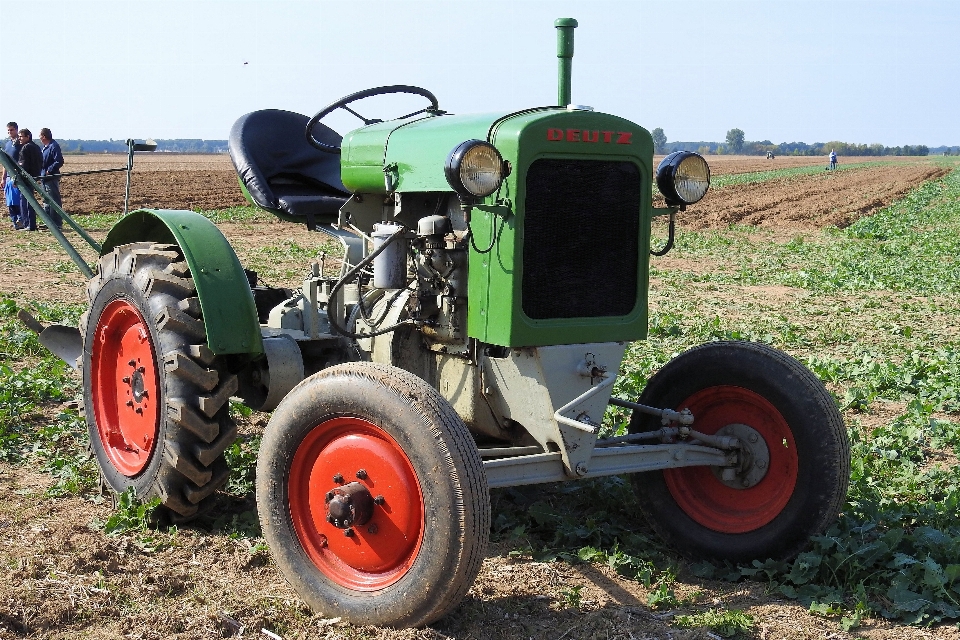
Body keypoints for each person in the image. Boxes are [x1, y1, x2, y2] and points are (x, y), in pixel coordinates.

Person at [16, 128, 42, 231]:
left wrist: (17, 178)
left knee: (26, 201)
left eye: (21, 136)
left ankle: (29, 224)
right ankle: (31, 224)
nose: (19, 139)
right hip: (35, 176)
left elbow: (23, 166)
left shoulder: (25, 148)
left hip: (26, 179)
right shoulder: (36, 147)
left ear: (28, 137)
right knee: (30, 201)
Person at [38, 128, 64, 229]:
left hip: (51, 177)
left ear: (44, 136)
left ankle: (57, 223)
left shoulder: (54, 146)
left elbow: (59, 161)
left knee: (54, 200)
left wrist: (49, 170)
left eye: (40, 135)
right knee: (46, 200)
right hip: (44, 177)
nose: (39, 138)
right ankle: (48, 222)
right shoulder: (45, 147)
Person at [2, 121, 22, 229]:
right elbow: (5, 162)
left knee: (17, 200)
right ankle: (15, 221)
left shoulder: (20, 144)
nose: (10, 132)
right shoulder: (8, 144)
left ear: (16, 130)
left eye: (12, 130)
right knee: (9, 201)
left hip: (17, 176)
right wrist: (3, 178)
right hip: (8, 176)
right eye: (8, 130)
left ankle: (21, 219)